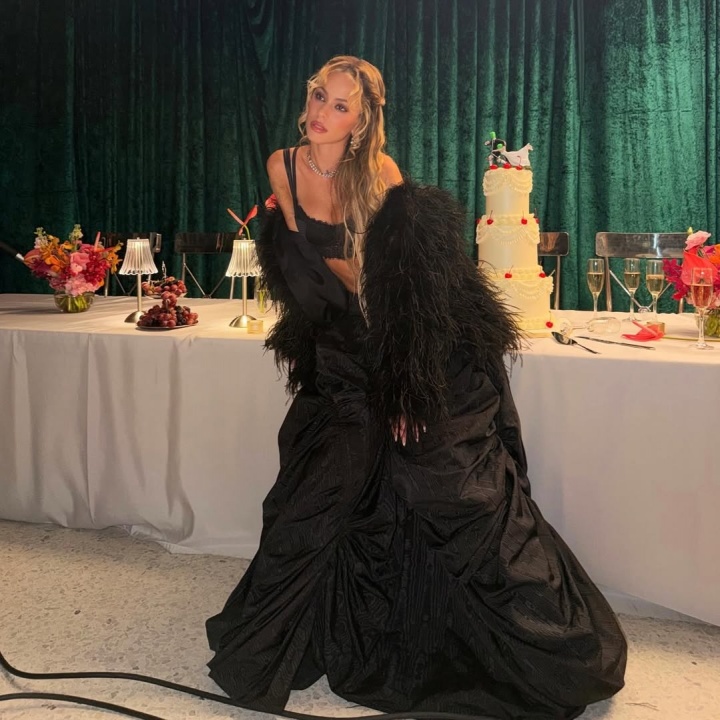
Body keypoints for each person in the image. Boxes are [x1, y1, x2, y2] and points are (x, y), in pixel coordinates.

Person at [206, 55, 627, 720]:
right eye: (317, 96)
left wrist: (406, 386)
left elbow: (401, 290)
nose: (321, 112)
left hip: (406, 340)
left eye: (340, 105)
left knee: (445, 478)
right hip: (342, 349)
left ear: (362, 120)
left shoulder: (381, 175)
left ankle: (523, 643)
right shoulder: (281, 167)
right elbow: (308, 267)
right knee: (319, 487)